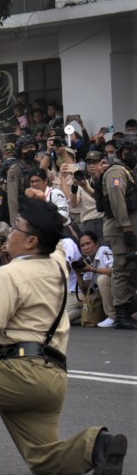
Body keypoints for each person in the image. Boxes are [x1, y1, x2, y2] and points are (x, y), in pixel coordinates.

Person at [0, 197, 127, 475]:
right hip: (52, 378)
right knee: (42, 458)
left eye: (16, 228)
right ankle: (96, 446)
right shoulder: (57, 265)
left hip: (19, 373)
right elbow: (60, 244)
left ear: (32, 241)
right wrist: (48, 211)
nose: (9, 233)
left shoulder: (8, 274)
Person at [99, 134, 136, 329]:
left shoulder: (128, 170)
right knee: (122, 269)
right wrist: (127, 227)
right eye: (129, 150)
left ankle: (127, 311)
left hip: (125, 228)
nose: (133, 154)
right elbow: (117, 199)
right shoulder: (116, 172)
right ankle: (121, 315)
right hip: (120, 229)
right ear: (122, 151)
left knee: (130, 269)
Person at [78, 230, 115, 328]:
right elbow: (86, 290)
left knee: (102, 279)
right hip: (105, 294)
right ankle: (92, 316)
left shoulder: (104, 250)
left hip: (119, 289)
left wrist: (93, 269)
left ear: (97, 243)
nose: (86, 247)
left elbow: (114, 271)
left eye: (88, 243)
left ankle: (112, 316)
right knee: (81, 296)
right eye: (82, 245)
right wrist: (77, 273)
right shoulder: (88, 260)